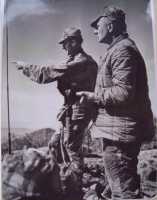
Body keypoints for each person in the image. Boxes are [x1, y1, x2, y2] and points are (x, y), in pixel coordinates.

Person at [76, 6, 155, 200]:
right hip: (118, 132)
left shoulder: (122, 51)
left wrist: (93, 96)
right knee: (121, 186)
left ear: (110, 27)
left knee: (124, 193)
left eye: (98, 25)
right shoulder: (119, 50)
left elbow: (123, 93)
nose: (95, 31)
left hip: (120, 136)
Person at [14, 27, 98, 200]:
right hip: (72, 108)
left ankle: (74, 188)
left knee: (71, 148)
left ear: (73, 42)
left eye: (65, 43)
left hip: (77, 110)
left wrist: (25, 67)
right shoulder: (80, 60)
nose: (63, 48)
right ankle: (63, 180)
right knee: (55, 143)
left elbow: (48, 72)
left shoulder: (81, 62)